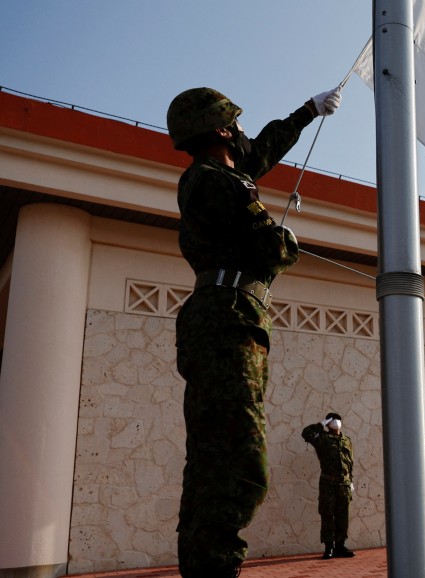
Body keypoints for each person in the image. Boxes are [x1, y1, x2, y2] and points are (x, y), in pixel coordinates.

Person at [167, 85, 342, 577]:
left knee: (209, 458)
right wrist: (285, 240)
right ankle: (217, 566)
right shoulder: (221, 183)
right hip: (229, 319)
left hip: (217, 317)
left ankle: (204, 566)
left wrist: (307, 112)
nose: (244, 132)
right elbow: (272, 249)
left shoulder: (208, 176)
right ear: (222, 129)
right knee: (242, 462)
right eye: (237, 125)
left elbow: (262, 148)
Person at [301, 412, 356, 559]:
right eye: (332, 420)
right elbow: (306, 433)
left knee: (343, 516)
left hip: (344, 484)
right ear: (328, 423)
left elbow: (349, 463)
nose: (336, 422)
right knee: (327, 515)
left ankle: (340, 545)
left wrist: (350, 480)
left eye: (338, 419)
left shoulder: (347, 441)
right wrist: (321, 425)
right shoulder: (322, 438)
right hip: (328, 483)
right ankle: (329, 547)